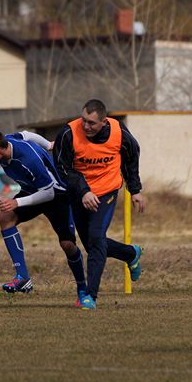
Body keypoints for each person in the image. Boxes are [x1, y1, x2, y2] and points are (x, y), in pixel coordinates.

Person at [54, 99, 146, 310]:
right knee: (91, 244)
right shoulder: (68, 134)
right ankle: (130, 253)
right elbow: (62, 168)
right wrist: (84, 191)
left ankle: (90, 296)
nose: (86, 126)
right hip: (79, 193)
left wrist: (135, 190)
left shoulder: (119, 132)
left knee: (96, 239)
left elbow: (132, 156)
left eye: (92, 123)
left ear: (104, 122)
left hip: (107, 191)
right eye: (84, 120)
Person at [0, 130, 87, 304]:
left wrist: (17, 203)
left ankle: (83, 289)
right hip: (33, 190)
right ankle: (22, 278)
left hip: (57, 195)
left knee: (67, 245)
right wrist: (48, 145)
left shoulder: (29, 161)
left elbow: (48, 193)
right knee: (6, 218)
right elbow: (26, 134)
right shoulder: (9, 140)